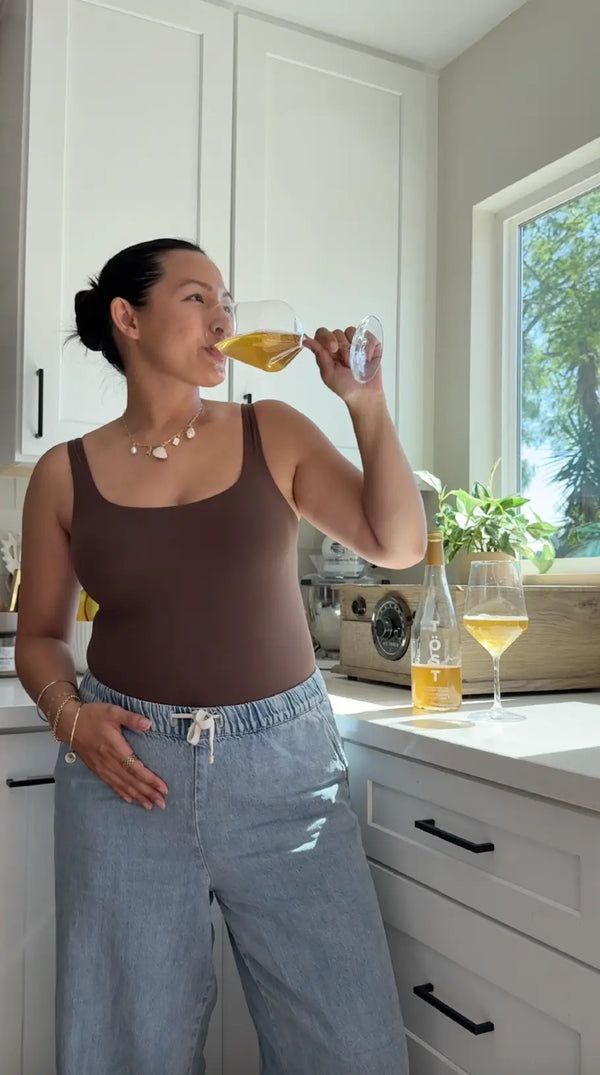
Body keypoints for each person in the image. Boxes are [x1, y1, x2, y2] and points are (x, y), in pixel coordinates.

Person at [16, 237, 426, 1075]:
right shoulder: (63, 474)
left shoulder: (270, 429)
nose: (224, 316)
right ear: (128, 318)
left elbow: (397, 540)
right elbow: (41, 635)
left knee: (349, 1050)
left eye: (227, 300)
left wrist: (366, 406)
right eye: (198, 297)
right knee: (124, 1051)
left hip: (286, 772)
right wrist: (71, 717)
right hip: (125, 773)